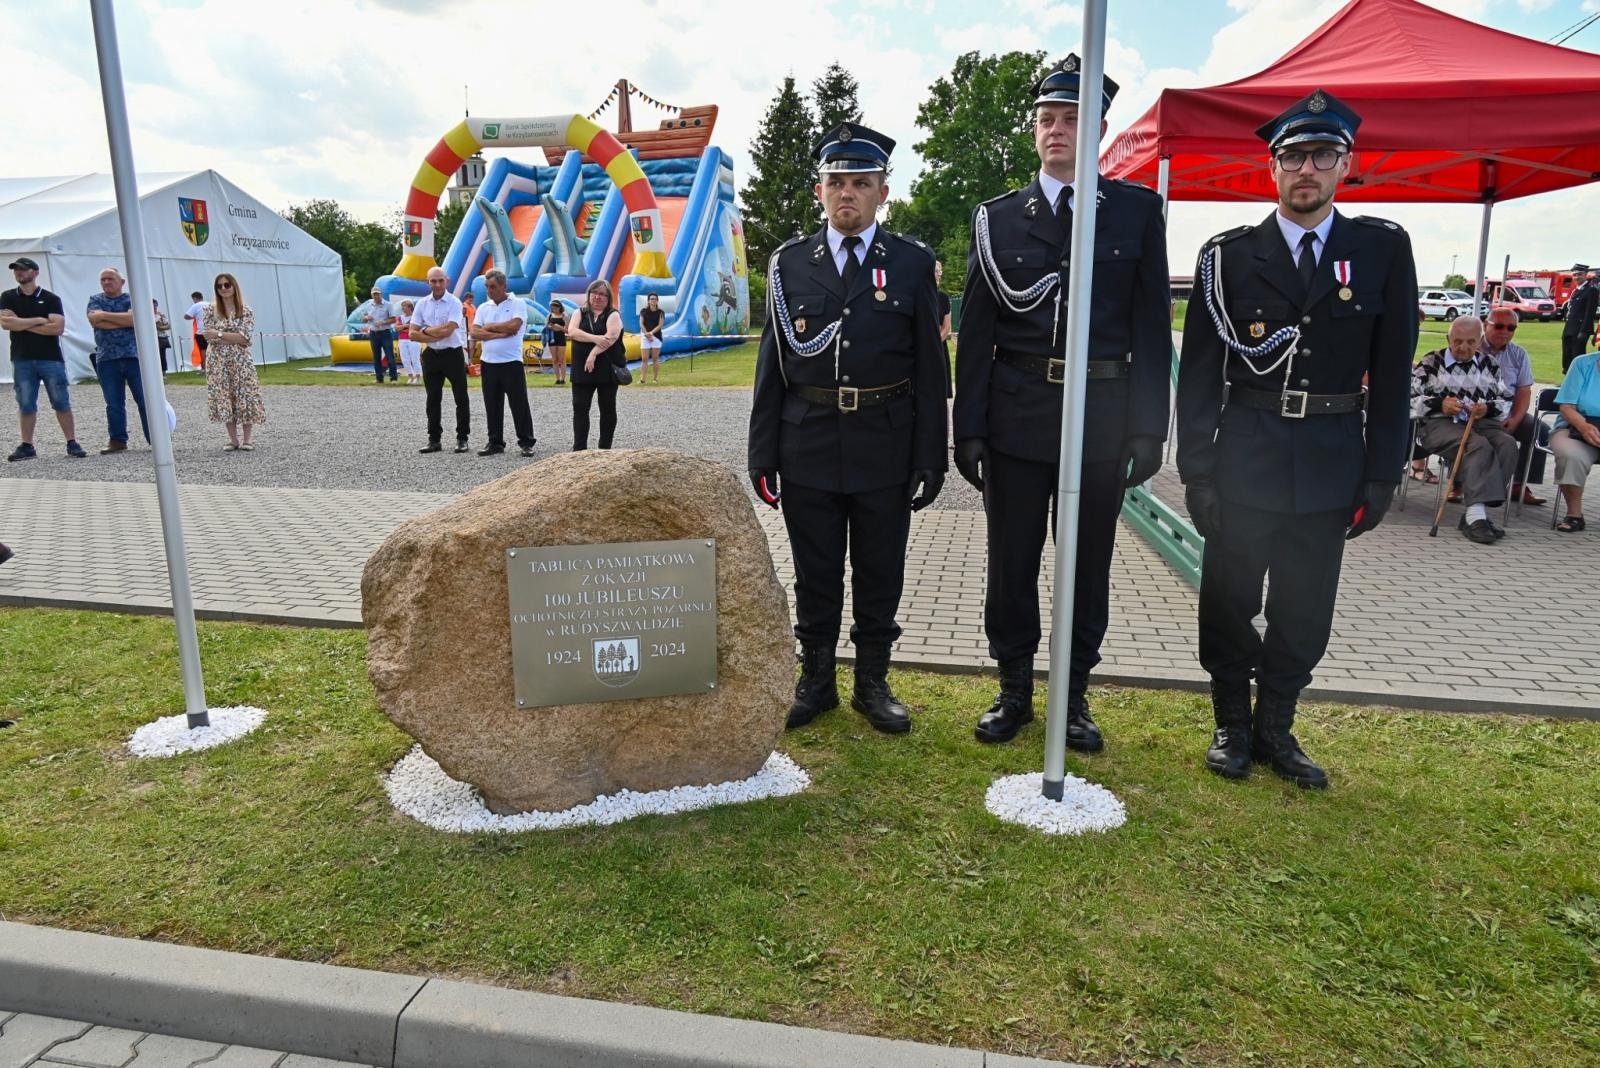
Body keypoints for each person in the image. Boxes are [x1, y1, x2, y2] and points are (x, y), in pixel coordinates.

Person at [1177, 89, 1417, 789]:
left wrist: (1382, 473)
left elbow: (1394, 371)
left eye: (1322, 155)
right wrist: (1196, 470)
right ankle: (1230, 724)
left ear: (1346, 164)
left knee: (1305, 604)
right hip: (1244, 454)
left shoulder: (1379, 250)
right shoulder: (1228, 257)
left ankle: (1275, 726)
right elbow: (1197, 377)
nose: (1305, 169)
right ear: (1271, 168)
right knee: (1227, 598)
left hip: (1330, 458)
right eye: (1292, 156)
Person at [953, 56, 1171, 749]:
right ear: (1034, 131)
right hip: (1017, 414)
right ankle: (1014, 688)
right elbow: (978, 333)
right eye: (1047, 119)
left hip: (1101, 418)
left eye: (1072, 119)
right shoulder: (996, 219)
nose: (1056, 130)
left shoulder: (1136, 212)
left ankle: (1073, 698)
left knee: (1087, 565)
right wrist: (970, 429)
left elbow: (1148, 326)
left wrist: (1148, 428)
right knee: (1011, 564)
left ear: (1098, 129)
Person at [747, 121, 947, 735]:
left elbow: (931, 367)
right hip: (807, 438)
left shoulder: (911, 264)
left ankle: (873, 681)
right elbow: (771, 365)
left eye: (861, 183)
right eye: (836, 182)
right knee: (815, 570)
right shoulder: (789, 264)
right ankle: (817, 680)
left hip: (884, 440)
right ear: (819, 191)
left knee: (881, 567)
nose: (847, 195)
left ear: (883, 192)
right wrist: (762, 452)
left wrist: (931, 454)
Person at [1411, 316, 1516, 543]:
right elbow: (1409, 398)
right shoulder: (1432, 362)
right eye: (1457, 341)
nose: (1463, 347)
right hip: (1439, 425)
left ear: (1479, 341)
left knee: (1507, 445)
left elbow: (1506, 400)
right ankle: (1476, 517)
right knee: (1477, 446)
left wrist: (1486, 408)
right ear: (1449, 338)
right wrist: (1440, 404)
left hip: (1481, 422)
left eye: (1470, 342)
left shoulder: (1489, 364)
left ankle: (1476, 512)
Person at [1, 257, 85, 461]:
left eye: (23, 269)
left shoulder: (50, 299)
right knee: (26, 402)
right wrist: (39, 320)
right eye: (16, 270)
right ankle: (27, 445)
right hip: (22, 358)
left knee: (60, 400)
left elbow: (57, 328)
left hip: (50, 358)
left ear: (35, 272)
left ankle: (72, 442)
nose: (19, 272)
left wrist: (21, 322)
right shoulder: (8, 297)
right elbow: (6, 324)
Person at [1479, 307, 1546, 506]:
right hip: (1476, 412)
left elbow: (1524, 391)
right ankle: (1457, 483)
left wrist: (1516, 418)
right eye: (1499, 326)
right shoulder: (1471, 347)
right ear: (1485, 324)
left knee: (1538, 431)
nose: (1505, 331)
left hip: (1508, 412)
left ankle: (1519, 484)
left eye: (1511, 328)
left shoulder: (1519, 354)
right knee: (1462, 429)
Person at [471, 269, 536, 457]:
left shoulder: (517, 303)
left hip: (511, 362)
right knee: (492, 404)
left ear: (503, 286)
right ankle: (495, 442)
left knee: (519, 403)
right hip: (488, 362)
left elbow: (514, 326)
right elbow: (474, 332)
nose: (489, 291)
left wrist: (489, 327)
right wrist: (499, 333)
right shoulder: (484, 307)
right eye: (487, 287)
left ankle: (526, 441)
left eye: (493, 287)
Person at [86, 267, 151, 454]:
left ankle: (154, 437)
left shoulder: (132, 298)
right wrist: (124, 319)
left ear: (121, 282)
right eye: (103, 279)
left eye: (110, 279)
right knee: (113, 403)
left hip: (134, 356)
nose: (106, 282)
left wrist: (105, 316)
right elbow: (95, 322)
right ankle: (117, 439)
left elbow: (135, 320)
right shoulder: (95, 299)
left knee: (144, 399)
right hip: (107, 358)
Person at [409, 267, 471, 453]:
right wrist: (434, 335)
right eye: (433, 281)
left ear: (447, 281)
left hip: (452, 354)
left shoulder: (454, 302)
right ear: (427, 282)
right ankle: (434, 440)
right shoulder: (421, 304)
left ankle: (462, 439)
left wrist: (425, 331)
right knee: (432, 399)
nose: (437, 284)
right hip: (431, 355)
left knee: (461, 398)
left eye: (440, 281)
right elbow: (412, 334)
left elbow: (449, 330)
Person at [204, 273, 267, 451]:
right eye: (220, 286)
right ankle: (233, 439)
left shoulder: (245, 310)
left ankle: (247, 439)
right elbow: (209, 337)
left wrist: (220, 334)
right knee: (224, 395)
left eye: (227, 285)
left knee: (245, 394)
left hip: (241, 361)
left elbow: (246, 338)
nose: (224, 289)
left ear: (234, 286)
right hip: (217, 361)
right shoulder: (210, 310)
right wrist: (231, 337)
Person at [566, 279, 626, 450]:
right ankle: (579, 449)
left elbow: (611, 337)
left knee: (607, 408)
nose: (598, 297)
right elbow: (573, 332)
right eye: (595, 293)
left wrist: (592, 353)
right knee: (580, 408)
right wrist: (594, 338)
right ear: (589, 294)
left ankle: (605, 448)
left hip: (606, 369)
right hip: (582, 369)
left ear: (608, 297)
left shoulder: (613, 315)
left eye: (602, 294)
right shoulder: (579, 313)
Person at [1550, 350, 1600, 532]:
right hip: (1575, 428)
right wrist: (1584, 426)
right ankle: (1574, 515)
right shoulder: (1582, 364)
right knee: (1570, 455)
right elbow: (1567, 407)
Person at [359, 286, 398, 384]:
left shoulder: (388, 305)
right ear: (372, 295)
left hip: (385, 333)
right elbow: (362, 318)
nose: (376, 296)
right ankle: (379, 378)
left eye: (377, 294)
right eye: (374, 294)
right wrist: (366, 318)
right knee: (376, 357)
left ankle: (393, 378)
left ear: (381, 294)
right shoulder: (369, 305)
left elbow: (394, 319)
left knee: (390, 356)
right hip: (373, 333)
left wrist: (383, 322)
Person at [1562, 271, 1598, 373]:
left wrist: (1584, 331)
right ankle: (1567, 382)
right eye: (1574, 275)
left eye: (1579, 274)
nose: (1577, 277)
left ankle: (1579, 384)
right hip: (1569, 328)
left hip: (1579, 329)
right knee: (1567, 357)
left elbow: (1589, 312)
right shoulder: (1576, 290)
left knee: (1577, 358)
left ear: (1585, 275)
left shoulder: (1591, 290)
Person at [934, 260, 953, 398]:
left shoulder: (943, 298)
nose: (939, 273)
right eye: (936, 270)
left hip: (939, 346)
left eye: (940, 270)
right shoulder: (919, 295)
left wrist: (934, 343)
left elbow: (946, 327)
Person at [639, 292, 664, 383]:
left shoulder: (660, 312)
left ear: (657, 301)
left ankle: (655, 379)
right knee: (644, 359)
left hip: (656, 337)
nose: (653, 300)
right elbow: (641, 323)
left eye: (655, 299)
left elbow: (660, 325)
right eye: (651, 299)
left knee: (655, 358)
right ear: (648, 301)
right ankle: (642, 379)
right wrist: (647, 334)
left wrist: (651, 333)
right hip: (645, 336)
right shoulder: (643, 311)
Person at [397, 300, 421, 384]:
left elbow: (415, 329)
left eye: (405, 306)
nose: (403, 308)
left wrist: (403, 327)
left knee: (415, 358)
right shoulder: (400, 317)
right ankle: (410, 376)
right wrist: (407, 326)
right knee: (405, 359)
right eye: (402, 306)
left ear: (410, 307)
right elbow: (397, 329)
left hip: (413, 339)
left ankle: (417, 377)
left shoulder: (415, 317)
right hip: (402, 340)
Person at [545, 299, 568, 384]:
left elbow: (568, 330)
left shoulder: (564, 316)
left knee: (562, 360)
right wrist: (550, 327)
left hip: (561, 338)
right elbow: (546, 327)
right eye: (553, 306)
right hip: (552, 338)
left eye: (556, 306)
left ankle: (563, 379)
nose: (554, 308)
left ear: (560, 307)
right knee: (555, 360)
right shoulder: (549, 316)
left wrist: (559, 327)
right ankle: (557, 379)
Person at [184, 290, 207, 369]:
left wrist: (194, 316)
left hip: (201, 332)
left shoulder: (196, 305)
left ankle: (204, 368)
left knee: (203, 350)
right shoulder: (210, 304)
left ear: (195, 298)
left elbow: (186, 316)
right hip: (211, 331)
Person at [153, 299, 173, 373]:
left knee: (162, 355)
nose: (154, 307)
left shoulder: (161, 315)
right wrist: (159, 326)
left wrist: (159, 327)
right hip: (152, 338)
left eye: (155, 305)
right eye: (152, 305)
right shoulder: (148, 315)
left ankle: (163, 371)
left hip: (161, 337)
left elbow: (168, 326)